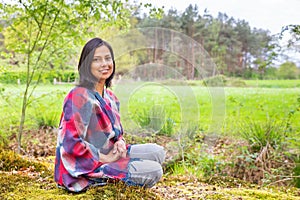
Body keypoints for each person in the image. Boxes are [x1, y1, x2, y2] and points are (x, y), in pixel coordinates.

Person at [54, 37, 166, 192]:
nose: (104, 64)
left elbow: (115, 133)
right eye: (96, 60)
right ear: (86, 65)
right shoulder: (79, 96)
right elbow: (70, 143)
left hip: (111, 153)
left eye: (108, 58)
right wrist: (104, 158)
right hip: (85, 167)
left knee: (157, 152)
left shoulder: (111, 97)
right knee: (154, 171)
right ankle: (103, 182)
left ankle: (122, 174)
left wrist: (120, 141)